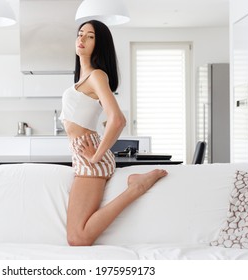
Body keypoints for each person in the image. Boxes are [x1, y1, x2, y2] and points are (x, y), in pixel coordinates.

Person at [59, 20, 168, 246]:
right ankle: (135, 185)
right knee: (77, 236)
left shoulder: (97, 76)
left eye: (90, 36)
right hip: (84, 159)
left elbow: (117, 120)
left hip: (92, 161)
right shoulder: (81, 79)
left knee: (78, 238)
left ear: (99, 45)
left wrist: (96, 156)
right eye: (80, 34)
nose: (82, 39)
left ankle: (137, 187)